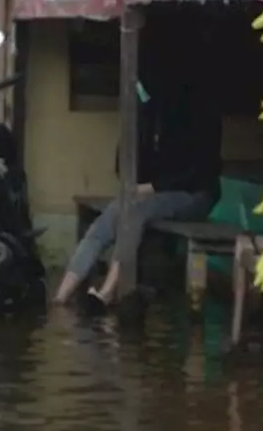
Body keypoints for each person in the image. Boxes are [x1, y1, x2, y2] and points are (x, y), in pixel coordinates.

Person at [54, 69, 223, 306]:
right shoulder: (151, 116)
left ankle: (108, 291)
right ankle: (61, 297)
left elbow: (198, 174)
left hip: (195, 195)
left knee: (135, 214)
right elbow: (126, 165)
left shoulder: (199, 117)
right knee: (108, 217)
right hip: (157, 193)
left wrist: (151, 188)